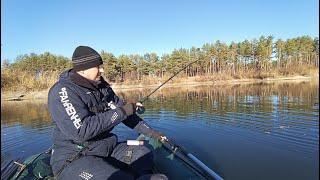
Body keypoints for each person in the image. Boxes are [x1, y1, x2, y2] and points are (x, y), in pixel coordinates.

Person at [48, 46, 168, 180]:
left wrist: (153, 133)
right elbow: (82, 131)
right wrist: (124, 110)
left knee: (143, 152)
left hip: (106, 148)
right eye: (97, 67)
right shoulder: (63, 91)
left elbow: (126, 114)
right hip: (74, 157)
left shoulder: (102, 88)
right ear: (82, 69)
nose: (102, 70)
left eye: (101, 66)